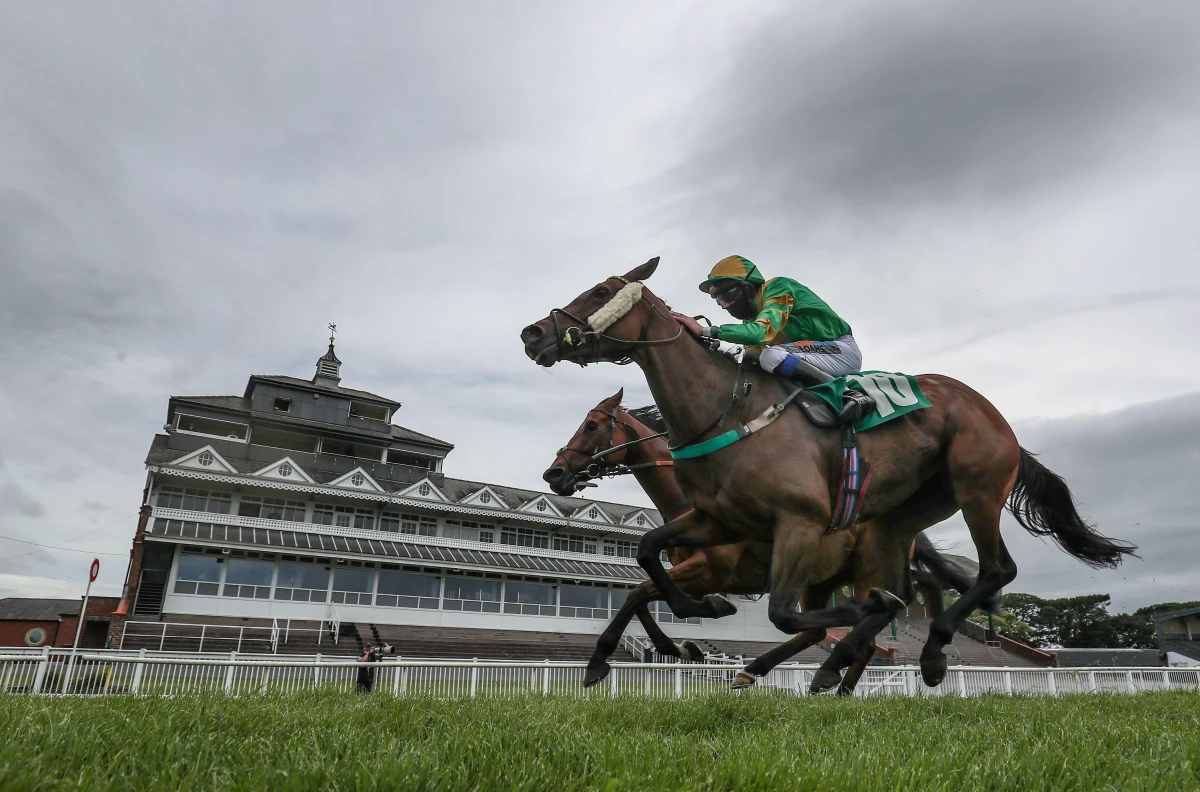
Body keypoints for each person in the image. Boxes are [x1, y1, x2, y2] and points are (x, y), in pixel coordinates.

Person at [674, 255, 862, 384]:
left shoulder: (778, 287)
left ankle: (846, 394)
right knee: (759, 366)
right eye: (718, 300)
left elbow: (761, 333)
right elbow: (751, 358)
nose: (724, 305)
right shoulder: (750, 320)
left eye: (728, 295)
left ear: (748, 287)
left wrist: (706, 331)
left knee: (771, 356)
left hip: (839, 350)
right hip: (811, 355)